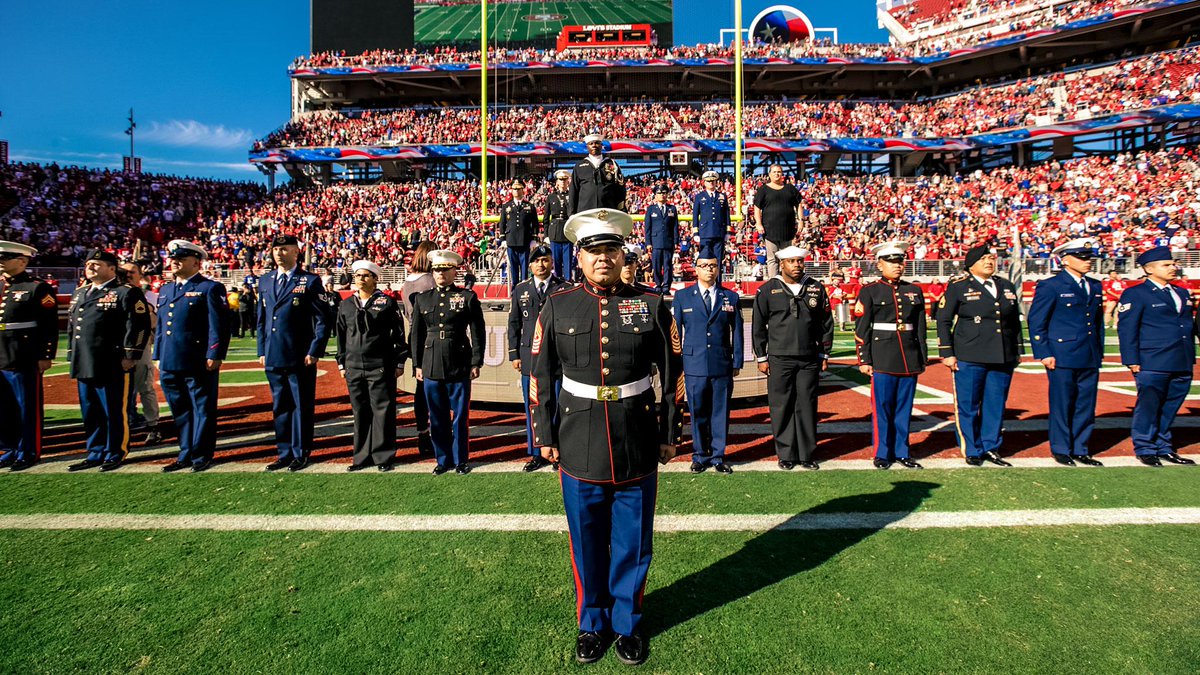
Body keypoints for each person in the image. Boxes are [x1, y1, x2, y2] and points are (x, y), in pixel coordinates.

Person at [530, 207, 683, 666]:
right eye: (593, 251)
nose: (603, 258)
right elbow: (542, 373)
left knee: (634, 543)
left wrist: (670, 431)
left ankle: (629, 624)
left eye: (611, 249)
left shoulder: (654, 305)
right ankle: (591, 623)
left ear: (623, 254)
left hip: (636, 433)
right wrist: (545, 433)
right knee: (587, 539)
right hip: (577, 437)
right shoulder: (557, 305)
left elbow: (673, 374)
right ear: (578, 258)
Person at [65, 249, 151, 472]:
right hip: (84, 360)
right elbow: (73, 326)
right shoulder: (80, 293)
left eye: (97, 264)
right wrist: (71, 354)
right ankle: (95, 451)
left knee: (113, 409)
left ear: (112, 268)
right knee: (90, 410)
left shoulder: (125, 292)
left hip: (112, 361)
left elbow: (138, 326)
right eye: (88, 264)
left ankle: (115, 451)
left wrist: (131, 355)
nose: (91, 267)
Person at [936, 245, 1022, 467]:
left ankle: (991, 447)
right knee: (968, 404)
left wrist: (1017, 351)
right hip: (969, 354)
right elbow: (944, 319)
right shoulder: (958, 287)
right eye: (983, 258)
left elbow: (1013, 322)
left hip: (1002, 355)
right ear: (971, 264)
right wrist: (947, 352)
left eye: (991, 258)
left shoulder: (1006, 285)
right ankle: (972, 448)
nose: (989, 261)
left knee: (995, 404)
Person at [751, 246, 832, 470]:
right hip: (779, 358)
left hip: (808, 358)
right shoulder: (768, 290)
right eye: (791, 262)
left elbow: (826, 323)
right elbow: (758, 326)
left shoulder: (815, 288)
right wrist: (761, 356)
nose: (796, 265)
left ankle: (806, 454)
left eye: (799, 261)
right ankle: (785, 454)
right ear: (782, 264)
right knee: (781, 406)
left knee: (806, 405)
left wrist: (824, 352)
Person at [1116, 246, 1198, 467]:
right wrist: (1131, 359)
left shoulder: (1181, 292)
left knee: (1171, 406)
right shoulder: (1136, 293)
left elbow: (1189, 325)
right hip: (1152, 361)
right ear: (1149, 269)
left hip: (1181, 359)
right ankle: (1144, 447)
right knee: (1149, 406)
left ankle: (1163, 446)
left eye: (1173, 264)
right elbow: (1127, 329)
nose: (1173, 267)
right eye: (1167, 265)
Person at [257, 235, 332, 472]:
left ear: (296, 252)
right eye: (276, 249)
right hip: (273, 353)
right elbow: (261, 319)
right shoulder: (266, 281)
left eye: (285, 249)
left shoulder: (309, 281)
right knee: (280, 405)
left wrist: (315, 350)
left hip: (300, 354)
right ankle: (284, 452)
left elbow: (323, 319)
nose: (279, 253)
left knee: (301, 405)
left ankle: (301, 452)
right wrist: (261, 349)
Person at [154, 240, 232, 473]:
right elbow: (160, 327)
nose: (174, 262)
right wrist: (158, 354)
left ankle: (201, 454)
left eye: (182, 258)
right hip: (169, 360)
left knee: (202, 409)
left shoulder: (209, 288)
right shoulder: (166, 290)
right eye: (172, 258)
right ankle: (185, 452)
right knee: (180, 411)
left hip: (197, 359)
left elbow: (218, 325)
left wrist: (215, 353)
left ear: (197, 262)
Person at [1027, 239, 1105, 466]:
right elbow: (1037, 321)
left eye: (1088, 256)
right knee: (1062, 403)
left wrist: (1098, 350)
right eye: (1082, 257)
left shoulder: (1095, 285)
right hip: (1062, 353)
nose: (1087, 261)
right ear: (1065, 260)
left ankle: (1081, 447)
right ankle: (1061, 448)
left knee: (1086, 404)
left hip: (1089, 353)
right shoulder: (1051, 286)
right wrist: (1044, 352)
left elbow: (1097, 323)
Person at [410, 250, 485, 475]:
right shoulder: (422, 298)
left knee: (460, 417)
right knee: (437, 417)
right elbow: (416, 334)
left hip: (459, 362)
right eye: (437, 269)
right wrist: (417, 364)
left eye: (445, 269)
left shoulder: (467, 297)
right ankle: (443, 460)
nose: (440, 273)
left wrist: (476, 362)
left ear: (455, 271)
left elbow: (477, 332)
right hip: (431, 364)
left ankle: (461, 459)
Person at [854, 241, 927, 469]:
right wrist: (864, 359)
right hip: (882, 355)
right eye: (891, 261)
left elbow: (920, 327)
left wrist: (922, 356)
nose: (897, 265)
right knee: (883, 408)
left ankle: (902, 451)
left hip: (908, 356)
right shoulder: (869, 291)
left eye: (900, 261)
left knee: (904, 409)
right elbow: (862, 328)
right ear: (879, 264)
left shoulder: (914, 290)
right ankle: (883, 453)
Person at [337, 259, 409, 471]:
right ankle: (361, 456)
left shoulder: (386, 303)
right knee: (360, 412)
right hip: (353, 366)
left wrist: (399, 361)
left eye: (366, 275)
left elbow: (398, 335)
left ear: (376, 278)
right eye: (358, 275)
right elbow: (341, 336)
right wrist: (342, 363)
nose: (361, 279)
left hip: (379, 365)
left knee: (382, 411)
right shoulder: (346, 304)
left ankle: (383, 456)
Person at [673, 255, 743, 473]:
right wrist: (677, 362)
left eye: (713, 266)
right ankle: (700, 455)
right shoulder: (683, 297)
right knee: (697, 411)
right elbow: (676, 332)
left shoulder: (730, 297)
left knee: (720, 411)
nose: (709, 270)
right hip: (694, 364)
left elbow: (738, 332)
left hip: (721, 363)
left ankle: (718, 456)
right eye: (704, 266)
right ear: (696, 269)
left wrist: (737, 360)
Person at [506, 245, 569, 471]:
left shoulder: (564, 288)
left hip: (558, 357)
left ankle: (558, 450)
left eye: (545, 260)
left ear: (552, 263)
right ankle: (536, 453)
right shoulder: (520, 289)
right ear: (530, 265)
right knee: (533, 406)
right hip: (530, 358)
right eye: (537, 261)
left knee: (559, 404)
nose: (541, 265)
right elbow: (514, 323)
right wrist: (514, 353)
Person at [0, 241, 58, 471]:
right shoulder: (1, 286)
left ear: (22, 261)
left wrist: (45, 354)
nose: (1, 262)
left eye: (6, 258)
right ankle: (8, 448)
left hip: (23, 355)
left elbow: (48, 324)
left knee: (26, 406)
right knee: (4, 407)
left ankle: (28, 451)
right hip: (1, 353)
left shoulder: (37, 288)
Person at [119, 261, 162, 446]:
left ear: (140, 275)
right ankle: (125, 420)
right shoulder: (113, 293)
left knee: (144, 385)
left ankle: (153, 426)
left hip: (139, 344)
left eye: (132, 272)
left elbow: (151, 321)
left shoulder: (148, 295)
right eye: (125, 272)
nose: (128, 275)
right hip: (115, 345)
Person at [401, 241, 438, 456]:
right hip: (430, 336)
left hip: (414, 335)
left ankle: (422, 432)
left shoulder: (407, 282)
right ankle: (434, 434)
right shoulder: (429, 281)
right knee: (435, 388)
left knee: (420, 388)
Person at [752, 164, 802, 279]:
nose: (777, 174)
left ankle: (787, 281)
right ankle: (773, 282)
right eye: (774, 172)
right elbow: (757, 208)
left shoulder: (790, 188)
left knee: (787, 258)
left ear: (782, 174)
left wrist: (800, 220)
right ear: (769, 174)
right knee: (772, 259)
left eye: (779, 172)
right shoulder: (763, 189)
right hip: (770, 230)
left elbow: (799, 203)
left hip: (787, 230)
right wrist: (758, 223)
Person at [568, 133, 626, 215]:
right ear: (587, 146)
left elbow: (620, 190)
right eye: (591, 143)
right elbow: (573, 191)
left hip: (608, 212)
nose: (594, 145)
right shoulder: (579, 167)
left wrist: (621, 210)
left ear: (601, 145)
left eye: (597, 143)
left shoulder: (612, 165)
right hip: (585, 214)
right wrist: (571, 214)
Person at [691, 171, 731, 281]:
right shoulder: (699, 196)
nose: (711, 183)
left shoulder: (722, 196)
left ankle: (717, 284)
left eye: (713, 181)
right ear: (704, 182)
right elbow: (695, 215)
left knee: (717, 260)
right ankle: (705, 281)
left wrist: (728, 231)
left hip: (719, 232)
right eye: (708, 181)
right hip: (705, 233)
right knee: (705, 259)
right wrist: (696, 232)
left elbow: (726, 214)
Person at [499, 178, 539, 288]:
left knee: (525, 268)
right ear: (511, 191)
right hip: (511, 241)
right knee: (514, 268)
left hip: (525, 241)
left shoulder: (529, 206)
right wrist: (503, 240)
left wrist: (534, 239)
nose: (516, 191)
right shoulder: (506, 206)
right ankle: (515, 290)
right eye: (514, 189)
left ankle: (525, 289)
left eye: (519, 189)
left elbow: (535, 224)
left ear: (523, 190)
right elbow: (502, 224)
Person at [643, 185, 679, 293]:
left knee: (668, 265)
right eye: (659, 193)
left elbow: (675, 227)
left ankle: (667, 285)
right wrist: (648, 242)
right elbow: (647, 227)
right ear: (655, 195)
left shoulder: (672, 208)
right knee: (657, 264)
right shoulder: (650, 209)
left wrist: (676, 241)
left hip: (668, 241)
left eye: (664, 193)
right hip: (656, 242)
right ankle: (658, 285)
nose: (662, 195)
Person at [544, 169, 574, 280]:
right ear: (557, 181)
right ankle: (557, 283)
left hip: (567, 231)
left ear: (568, 181)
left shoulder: (571, 196)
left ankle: (567, 283)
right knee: (556, 262)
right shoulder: (551, 197)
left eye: (564, 179)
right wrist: (546, 235)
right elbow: (546, 218)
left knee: (567, 262)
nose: (562, 182)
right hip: (555, 232)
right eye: (560, 179)